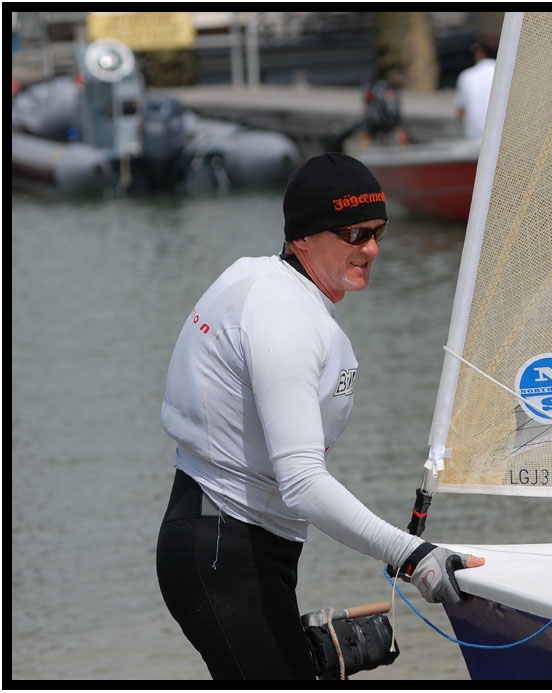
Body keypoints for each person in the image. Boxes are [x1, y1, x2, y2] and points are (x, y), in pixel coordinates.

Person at [156, 152, 485, 680]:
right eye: (355, 234)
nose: (372, 248)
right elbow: (303, 482)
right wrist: (413, 553)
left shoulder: (270, 284)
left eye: (378, 231)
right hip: (223, 552)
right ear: (304, 236)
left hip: (239, 547)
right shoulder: (282, 315)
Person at [453, 33, 498, 139]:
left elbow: (460, 114)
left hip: (473, 140)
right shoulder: (507, 75)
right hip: (499, 140)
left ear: (480, 51)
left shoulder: (466, 76)